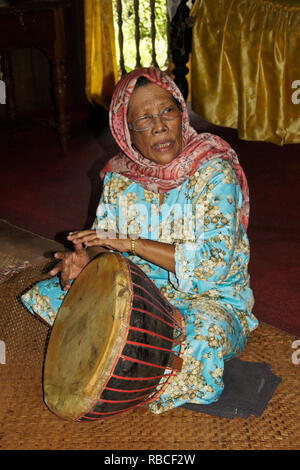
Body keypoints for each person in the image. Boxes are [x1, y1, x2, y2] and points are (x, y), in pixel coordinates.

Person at [21, 67, 258, 414]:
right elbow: (105, 244)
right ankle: (142, 352)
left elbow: (209, 269)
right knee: (55, 293)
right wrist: (89, 263)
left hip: (211, 300)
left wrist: (130, 243)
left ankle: (137, 356)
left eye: (167, 111)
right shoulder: (120, 177)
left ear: (182, 113)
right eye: (143, 120)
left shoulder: (212, 170)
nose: (159, 126)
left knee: (202, 339)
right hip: (141, 294)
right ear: (126, 132)